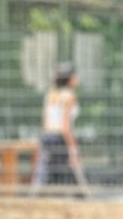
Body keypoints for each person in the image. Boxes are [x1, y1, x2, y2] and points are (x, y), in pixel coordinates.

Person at [33, 62, 87, 191]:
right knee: (67, 171)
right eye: (75, 76)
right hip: (60, 138)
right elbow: (65, 125)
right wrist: (72, 147)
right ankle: (80, 198)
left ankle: (35, 197)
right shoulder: (69, 96)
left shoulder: (51, 95)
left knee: (44, 173)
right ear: (70, 79)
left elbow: (45, 120)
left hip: (47, 136)